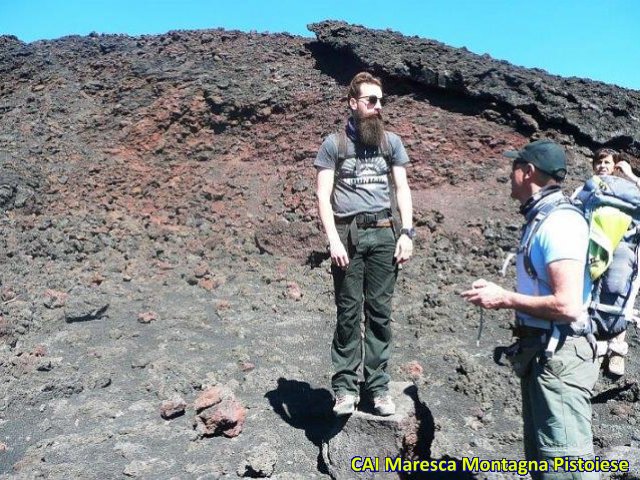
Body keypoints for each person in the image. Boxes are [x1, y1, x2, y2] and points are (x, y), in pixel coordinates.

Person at [461, 139, 599, 479]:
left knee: (567, 466)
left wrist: (505, 298)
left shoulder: (559, 223)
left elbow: (567, 304)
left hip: (560, 358)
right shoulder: (543, 218)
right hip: (543, 355)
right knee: (546, 460)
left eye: (515, 168)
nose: (510, 175)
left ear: (528, 172)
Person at [314, 72, 415, 416]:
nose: (378, 106)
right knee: (347, 313)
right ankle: (344, 388)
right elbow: (323, 197)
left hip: (385, 233)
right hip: (348, 235)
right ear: (353, 103)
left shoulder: (391, 143)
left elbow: (402, 189)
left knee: (380, 315)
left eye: (381, 101)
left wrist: (407, 232)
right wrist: (333, 240)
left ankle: (378, 388)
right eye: (371, 100)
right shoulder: (334, 144)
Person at [578, 148, 640, 376]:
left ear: (616, 166)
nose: (602, 166)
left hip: (624, 250)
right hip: (592, 247)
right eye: (598, 162)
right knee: (590, 292)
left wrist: (632, 176)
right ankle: (597, 344)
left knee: (618, 292)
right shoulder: (589, 187)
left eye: (607, 162)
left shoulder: (630, 189)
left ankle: (616, 351)